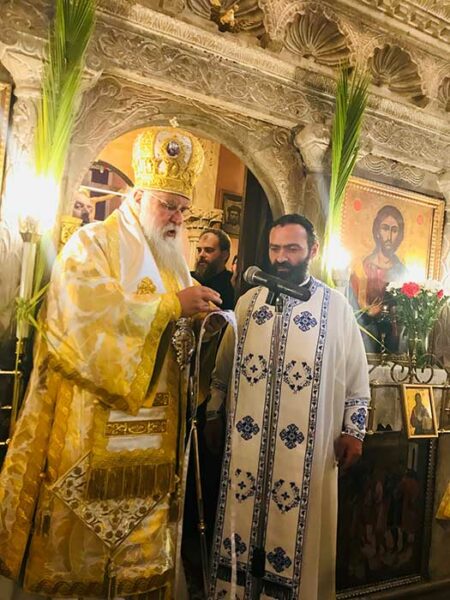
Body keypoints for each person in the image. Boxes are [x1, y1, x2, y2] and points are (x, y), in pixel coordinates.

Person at [0, 126, 222, 599]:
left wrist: (202, 327)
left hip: (155, 444)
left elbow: (178, 343)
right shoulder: (92, 243)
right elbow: (81, 317)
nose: (176, 218)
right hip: (90, 437)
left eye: (183, 210)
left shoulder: (173, 260)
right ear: (138, 196)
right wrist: (170, 307)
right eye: (168, 205)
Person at [206, 214, 370, 599]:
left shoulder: (335, 307)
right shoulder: (248, 303)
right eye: (275, 249)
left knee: (300, 538)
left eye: (292, 249)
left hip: (307, 456)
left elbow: (356, 374)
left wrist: (354, 431)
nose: (281, 258)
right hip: (247, 452)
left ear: (312, 251)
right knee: (240, 529)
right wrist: (214, 412)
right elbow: (222, 368)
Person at [351, 205, 407, 312]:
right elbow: (353, 302)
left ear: (399, 235)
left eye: (394, 231)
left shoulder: (401, 270)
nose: (389, 237)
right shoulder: (363, 268)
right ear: (377, 231)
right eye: (385, 229)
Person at [193, 228, 235, 310]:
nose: (201, 255)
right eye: (199, 250)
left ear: (224, 255)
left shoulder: (232, 284)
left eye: (208, 250)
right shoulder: (189, 279)